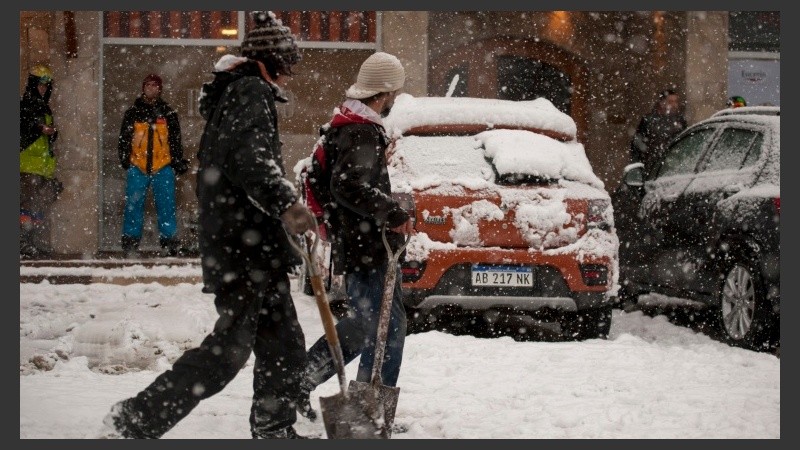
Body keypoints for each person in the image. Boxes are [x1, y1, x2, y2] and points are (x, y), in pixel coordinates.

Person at [101, 11, 317, 439]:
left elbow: (237, 165)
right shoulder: (250, 92)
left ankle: (274, 427)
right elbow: (250, 162)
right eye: (287, 68)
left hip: (255, 250)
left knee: (285, 344)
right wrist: (287, 204)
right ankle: (134, 420)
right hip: (243, 249)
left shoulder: (237, 93)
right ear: (272, 63)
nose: (289, 78)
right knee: (226, 354)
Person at [295, 52, 416, 421]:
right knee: (387, 329)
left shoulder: (347, 123)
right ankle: (366, 414)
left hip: (359, 241)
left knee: (368, 324)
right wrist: (393, 213)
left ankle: (299, 380)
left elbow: (341, 185)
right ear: (384, 92)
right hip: (368, 243)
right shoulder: (361, 129)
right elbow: (349, 185)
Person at [117, 73, 189, 257]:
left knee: (166, 206)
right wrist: (125, 159)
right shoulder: (133, 112)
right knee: (133, 206)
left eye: (155, 85)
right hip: (138, 166)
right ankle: (131, 244)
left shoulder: (168, 112)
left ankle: (169, 243)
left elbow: (174, 141)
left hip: (162, 166)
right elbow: (124, 139)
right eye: (148, 85)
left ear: (160, 89)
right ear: (143, 88)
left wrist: (177, 161)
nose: (151, 88)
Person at [20, 64, 62, 259]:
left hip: (43, 167)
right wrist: (39, 128)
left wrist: (51, 132)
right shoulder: (26, 103)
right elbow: (25, 126)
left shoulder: (44, 106)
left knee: (36, 208)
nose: (44, 88)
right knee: (25, 207)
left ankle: (33, 243)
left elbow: (46, 136)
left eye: (47, 85)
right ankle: (23, 242)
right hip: (27, 165)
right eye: (41, 84)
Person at [629, 88, 687, 178]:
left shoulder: (680, 121)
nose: (674, 105)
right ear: (662, 102)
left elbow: (685, 142)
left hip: (674, 169)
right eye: (670, 101)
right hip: (652, 169)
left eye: (676, 101)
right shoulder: (648, 120)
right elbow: (637, 144)